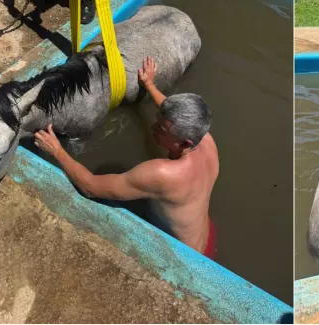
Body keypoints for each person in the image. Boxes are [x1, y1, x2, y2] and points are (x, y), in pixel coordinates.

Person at [34, 56, 219, 257]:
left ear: (185, 143)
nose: (153, 127)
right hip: (206, 238)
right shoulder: (206, 140)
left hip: (182, 255)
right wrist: (148, 84)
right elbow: (170, 111)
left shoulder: (163, 173)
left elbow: (90, 187)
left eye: (161, 129)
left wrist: (57, 151)